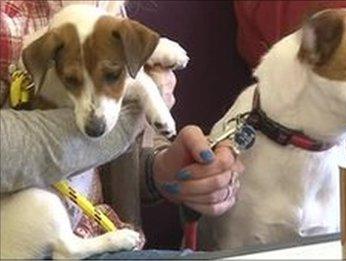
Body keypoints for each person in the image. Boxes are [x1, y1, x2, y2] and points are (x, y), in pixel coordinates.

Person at [0, 0, 243, 258]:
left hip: (95, 228)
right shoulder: (14, 20)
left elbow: (96, 158)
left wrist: (160, 171)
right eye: (73, 79)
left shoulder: (105, 12)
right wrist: (141, 105)